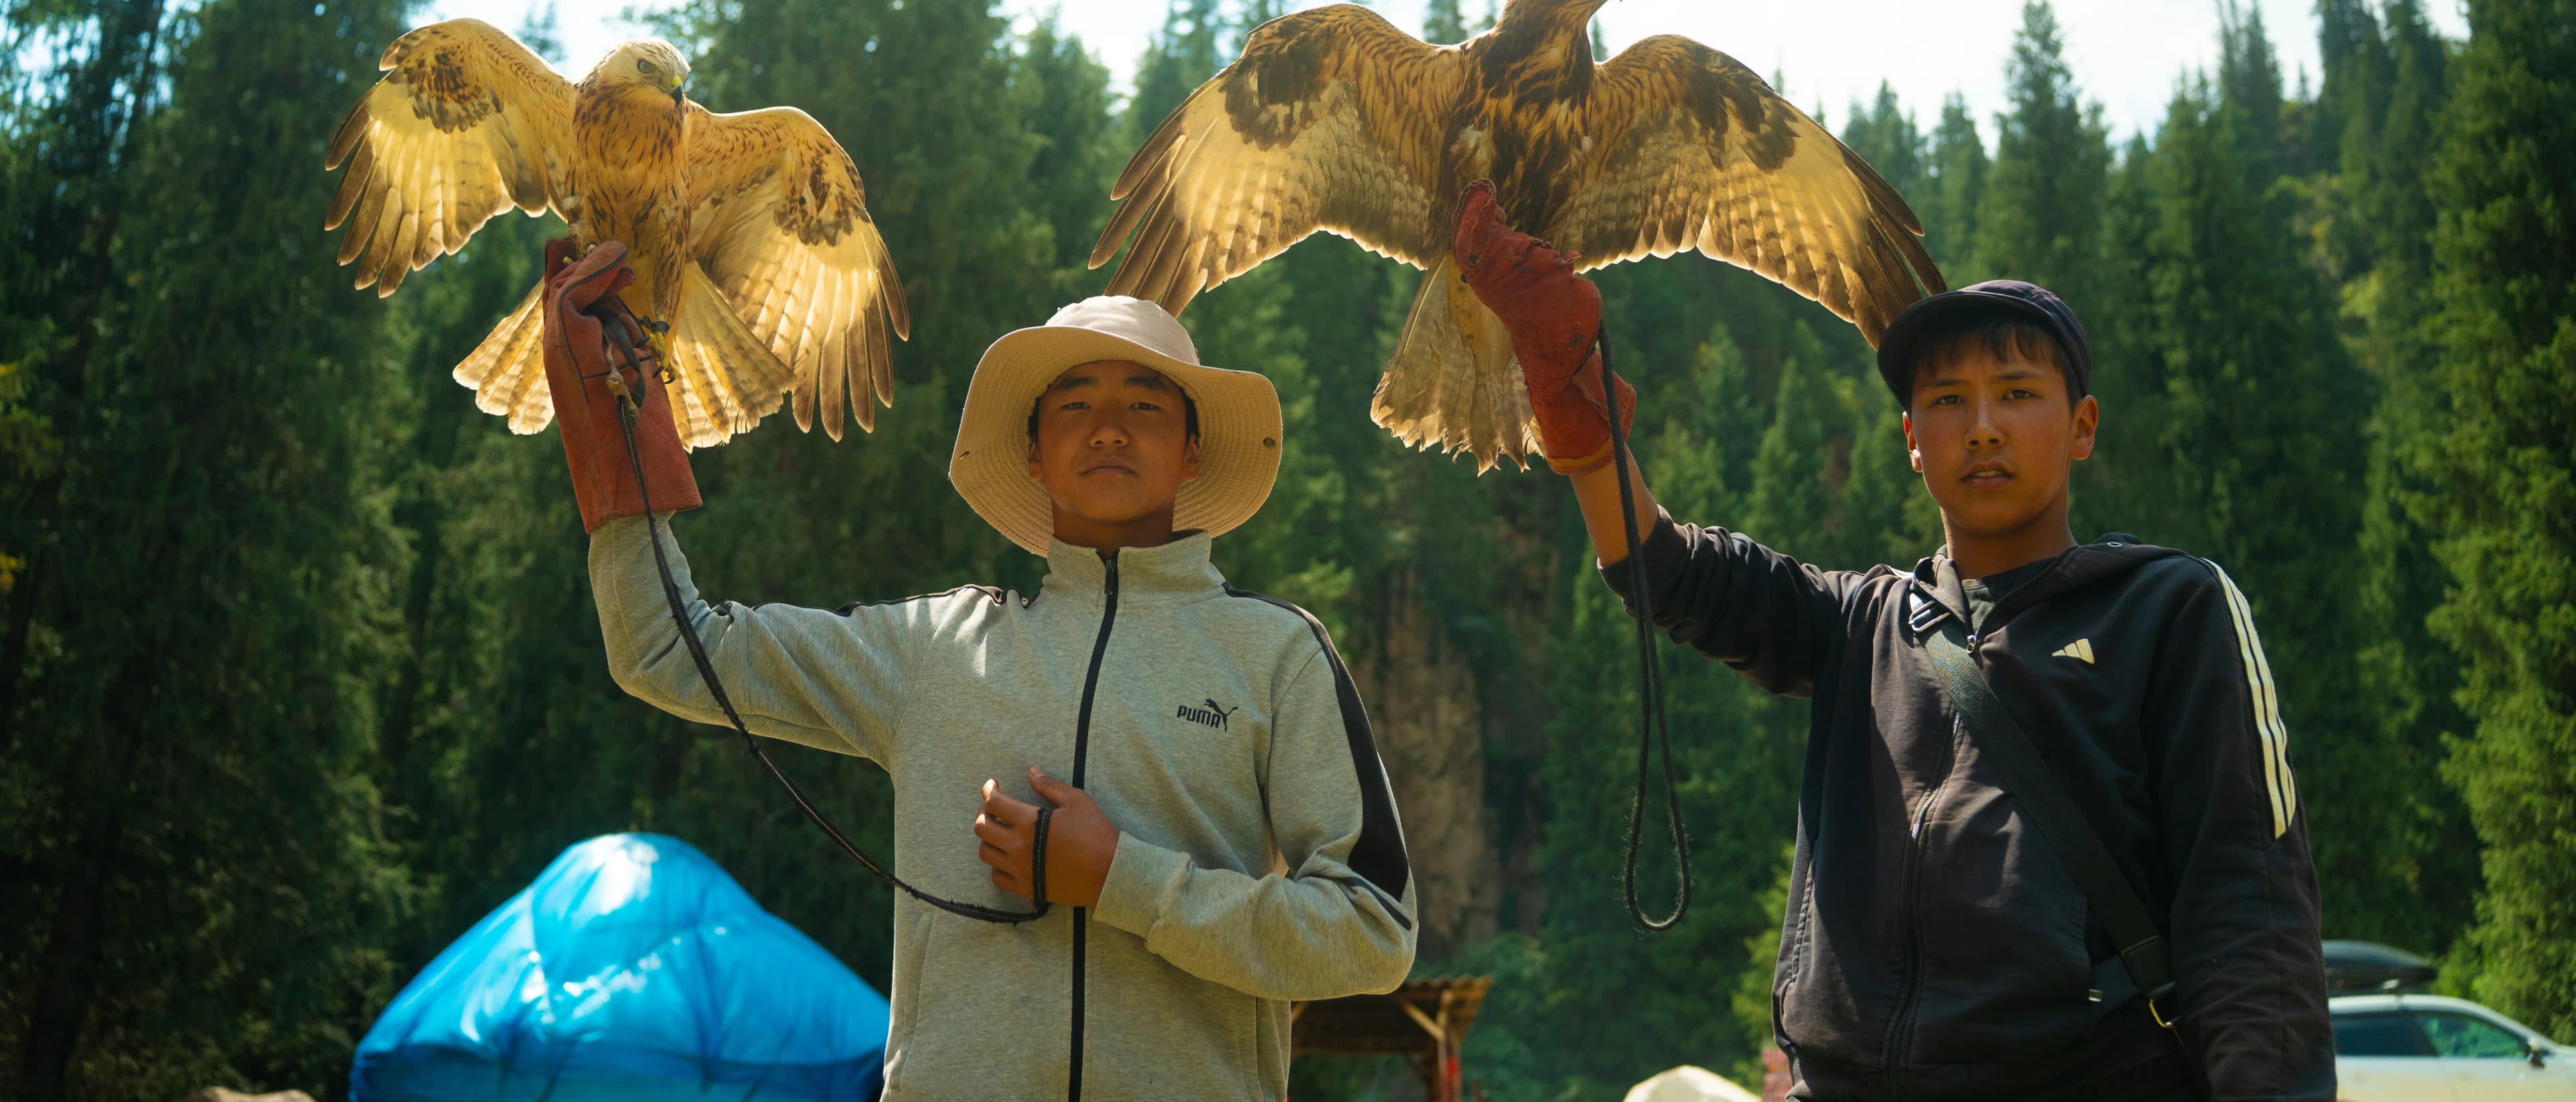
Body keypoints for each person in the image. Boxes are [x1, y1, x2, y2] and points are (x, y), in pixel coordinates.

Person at [1448, 185, 2332, 1100]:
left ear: (2082, 427)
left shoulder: (2170, 609)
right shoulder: (1858, 622)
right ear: (1913, 440)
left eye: (2018, 393)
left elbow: (2248, 908)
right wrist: (1576, 415)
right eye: (1948, 399)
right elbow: (1672, 570)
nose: (1982, 423)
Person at [538, 239, 1417, 1101]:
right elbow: (669, 646)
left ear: (1193, 449)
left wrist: (1124, 881)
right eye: (1073, 403)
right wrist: (618, 432)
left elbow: (1374, 933)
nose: (1108, 424)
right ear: (1033, 451)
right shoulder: (933, 646)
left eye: (1146, 404)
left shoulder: (1277, 654)